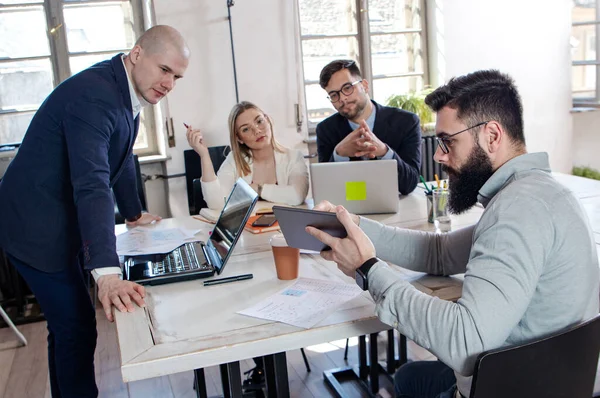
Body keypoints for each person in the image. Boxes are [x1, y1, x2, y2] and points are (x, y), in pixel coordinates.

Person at [306, 69, 599, 398]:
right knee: (409, 377)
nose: (438, 155)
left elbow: (464, 340)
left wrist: (368, 268)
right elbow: (439, 253)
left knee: (411, 380)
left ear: (491, 136)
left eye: (448, 142)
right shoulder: (539, 194)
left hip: (512, 383)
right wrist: (351, 224)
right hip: (548, 374)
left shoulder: (517, 213)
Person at [0, 26, 190, 397]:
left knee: (70, 324)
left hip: (54, 217)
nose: (169, 84)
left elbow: (120, 155)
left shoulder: (125, 89)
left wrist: (133, 213)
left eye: (177, 77)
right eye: (164, 69)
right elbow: (92, 184)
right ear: (137, 53)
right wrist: (106, 274)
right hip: (33, 226)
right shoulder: (96, 97)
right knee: (75, 325)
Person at [316, 59, 422, 195]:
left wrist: (384, 152)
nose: (342, 98)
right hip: (347, 209)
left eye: (347, 88)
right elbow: (325, 190)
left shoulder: (406, 122)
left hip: (396, 208)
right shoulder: (325, 129)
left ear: (365, 86)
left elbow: (409, 184)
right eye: (334, 95)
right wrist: (339, 154)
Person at [186, 101, 309, 210]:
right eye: (246, 129)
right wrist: (204, 155)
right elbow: (216, 203)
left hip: (282, 232)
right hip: (248, 232)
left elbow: (297, 196)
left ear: (267, 120)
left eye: (259, 121)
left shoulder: (294, 157)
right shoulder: (234, 160)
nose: (257, 130)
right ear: (239, 138)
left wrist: (258, 189)